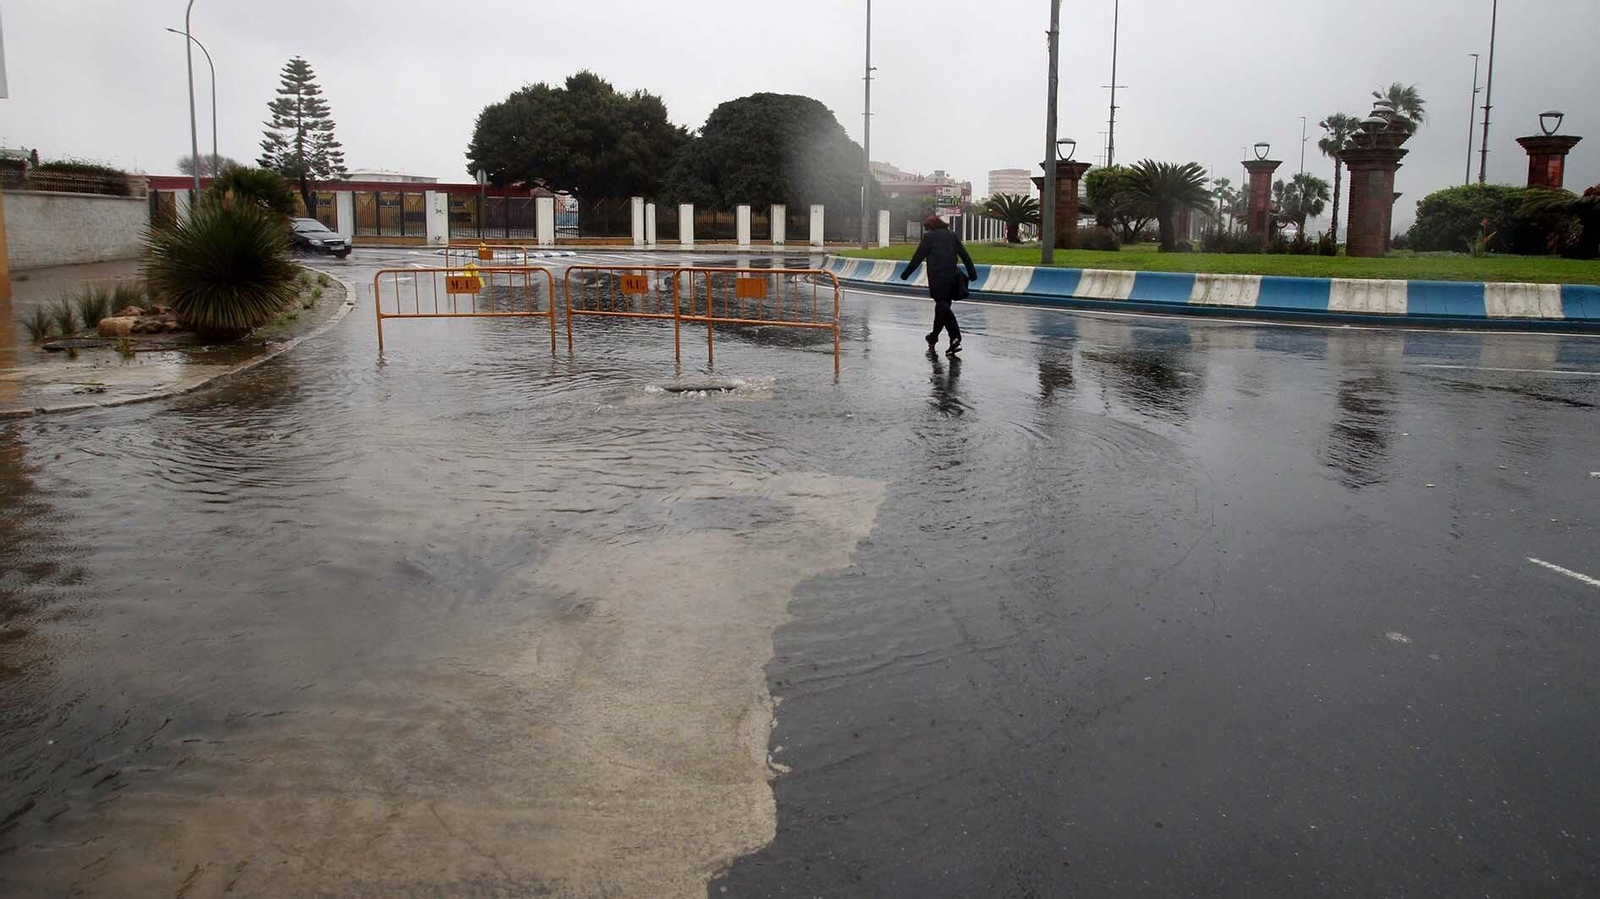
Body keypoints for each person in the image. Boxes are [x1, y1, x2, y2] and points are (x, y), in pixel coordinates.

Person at [900, 214, 978, 355]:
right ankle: (933, 337)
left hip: (937, 278)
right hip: (952, 276)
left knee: (943, 306)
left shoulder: (929, 237)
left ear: (931, 226)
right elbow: (965, 255)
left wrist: (906, 274)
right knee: (942, 308)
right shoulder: (952, 235)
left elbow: (918, 257)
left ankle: (955, 337)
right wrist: (972, 273)